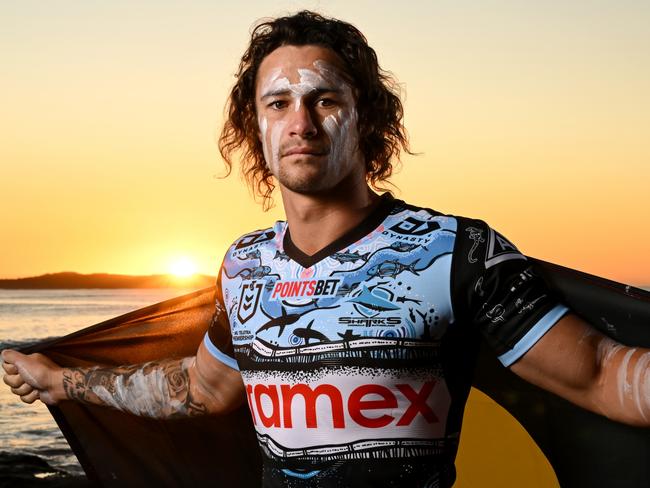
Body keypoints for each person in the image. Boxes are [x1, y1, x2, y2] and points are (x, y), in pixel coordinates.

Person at [2, 10, 650, 488]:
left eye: (324, 100)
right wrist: (62, 379)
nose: (301, 123)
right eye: (278, 103)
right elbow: (201, 388)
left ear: (366, 119)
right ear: (254, 129)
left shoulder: (454, 252)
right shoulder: (245, 265)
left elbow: (600, 376)